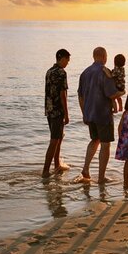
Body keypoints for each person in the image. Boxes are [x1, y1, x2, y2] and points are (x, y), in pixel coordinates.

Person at [78, 47, 123, 183]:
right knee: (105, 144)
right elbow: (111, 93)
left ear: (94, 56)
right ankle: (101, 177)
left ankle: (86, 168)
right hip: (102, 114)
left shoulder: (85, 73)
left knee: (94, 140)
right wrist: (122, 93)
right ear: (104, 56)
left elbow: (80, 96)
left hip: (89, 113)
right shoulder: (105, 72)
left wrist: (84, 113)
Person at [43, 48, 71, 177]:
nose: (68, 63)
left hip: (49, 109)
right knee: (54, 140)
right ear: (62, 58)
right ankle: (45, 171)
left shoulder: (49, 71)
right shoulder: (61, 73)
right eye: (67, 60)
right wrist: (66, 113)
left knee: (58, 138)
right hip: (57, 111)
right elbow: (63, 95)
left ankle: (57, 166)